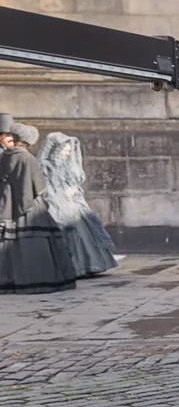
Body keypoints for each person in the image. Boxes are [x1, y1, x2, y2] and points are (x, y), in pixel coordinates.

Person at [0, 115, 76, 294]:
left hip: (7, 204)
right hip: (30, 208)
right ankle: (38, 280)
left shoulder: (5, 156)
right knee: (34, 244)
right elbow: (37, 186)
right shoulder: (28, 159)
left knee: (9, 244)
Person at [38, 132, 117, 278]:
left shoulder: (69, 165)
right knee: (69, 234)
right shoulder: (45, 166)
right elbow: (45, 187)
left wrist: (73, 190)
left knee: (83, 232)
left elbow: (75, 182)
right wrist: (60, 196)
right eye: (64, 150)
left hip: (73, 203)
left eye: (69, 151)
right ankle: (73, 267)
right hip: (56, 204)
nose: (67, 154)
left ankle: (90, 265)